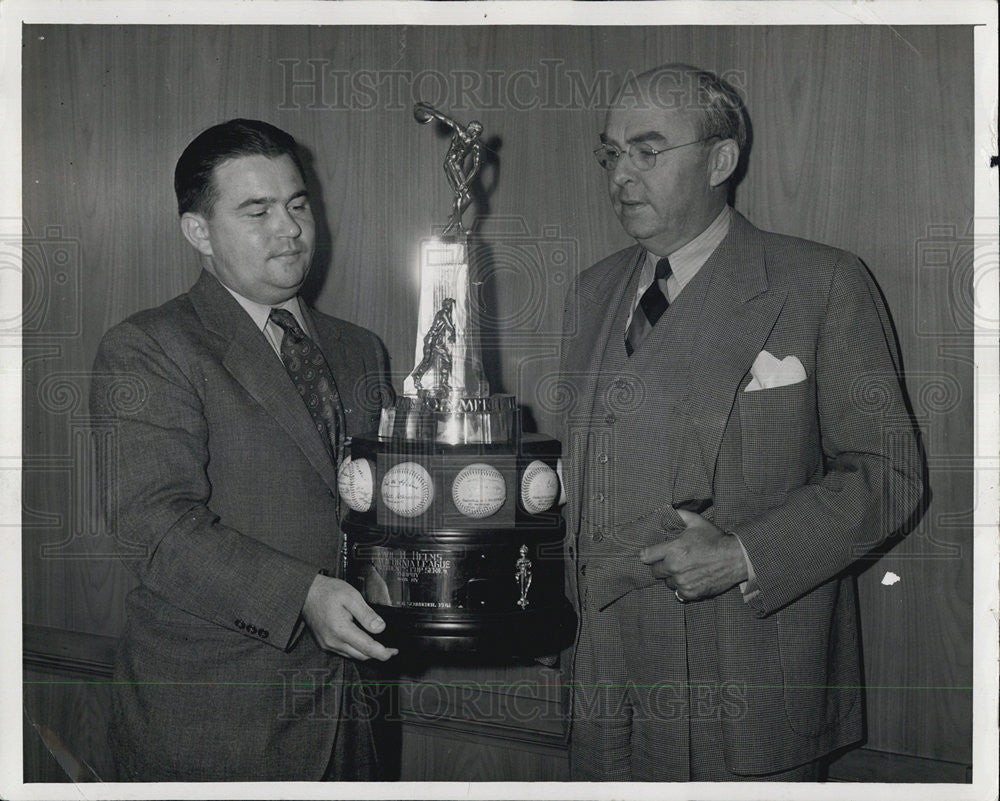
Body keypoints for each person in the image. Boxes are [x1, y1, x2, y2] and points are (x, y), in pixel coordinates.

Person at [558, 64, 923, 782]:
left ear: (721, 159)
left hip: (752, 697)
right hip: (608, 685)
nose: (622, 175)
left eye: (648, 150)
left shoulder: (821, 283)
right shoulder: (591, 291)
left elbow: (889, 475)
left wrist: (744, 553)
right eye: (612, 152)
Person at [91, 118, 398, 781]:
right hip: (217, 726)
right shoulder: (149, 347)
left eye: (296, 203)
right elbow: (156, 528)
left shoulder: (360, 349)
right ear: (199, 232)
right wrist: (304, 596)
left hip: (355, 717)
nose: (288, 228)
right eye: (256, 210)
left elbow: (386, 508)